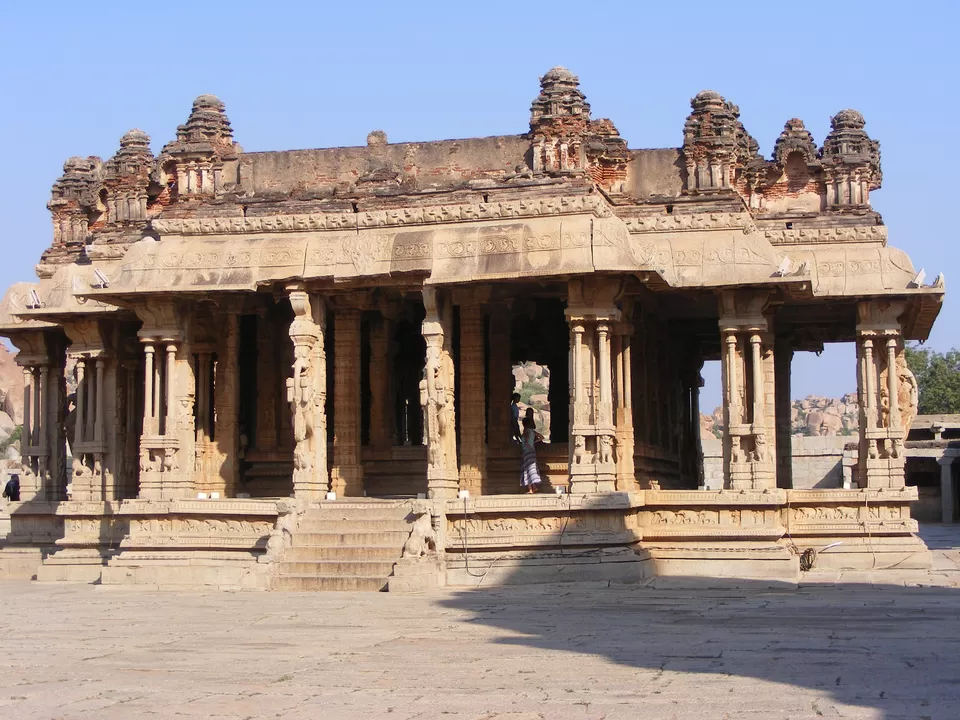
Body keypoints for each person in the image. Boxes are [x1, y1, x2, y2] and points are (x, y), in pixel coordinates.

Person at [520, 408, 544, 493]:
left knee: (527, 470)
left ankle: (530, 489)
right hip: (532, 452)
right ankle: (533, 487)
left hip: (526, 452)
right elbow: (542, 437)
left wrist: (529, 445)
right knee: (532, 469)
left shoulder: (525, 433)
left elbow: (525, 442)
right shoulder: (532, 432)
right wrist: (534, 442)